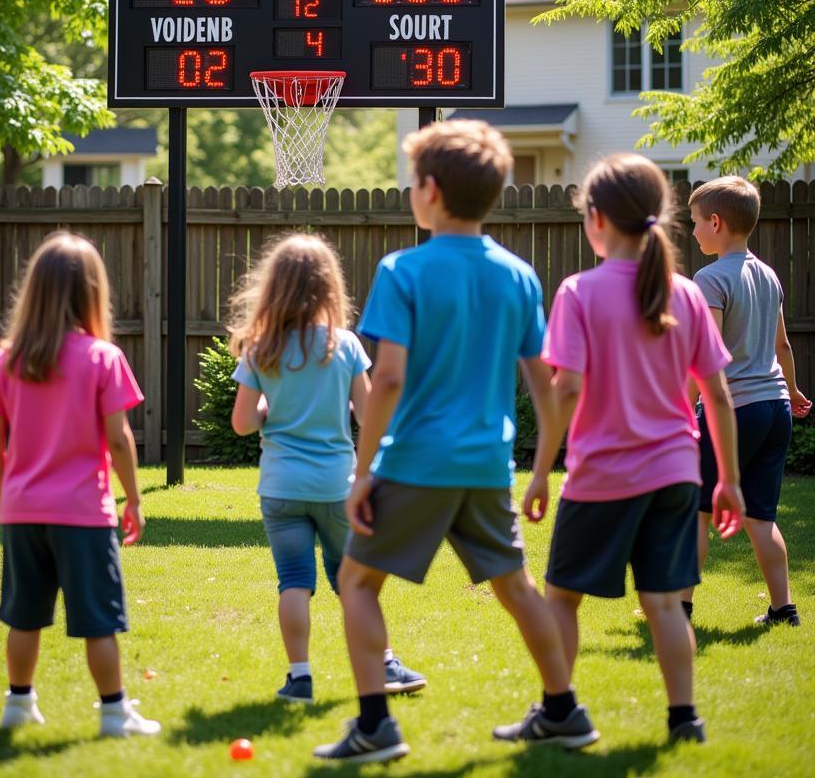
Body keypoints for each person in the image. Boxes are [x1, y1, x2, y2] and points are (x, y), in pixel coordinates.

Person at [314, 120, 598, 764]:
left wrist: (362, 474)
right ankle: (563, 709)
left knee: (357, 583)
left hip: (415, 460)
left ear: (431, 191)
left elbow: (386, 379)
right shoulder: (519, 275)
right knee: (517, 587)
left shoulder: (402, 270)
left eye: (413, 182)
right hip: (486, 466)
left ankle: (375, 727)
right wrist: (541, 470)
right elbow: (546, 385)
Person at [524, 153, 745, 746]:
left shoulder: (579, 292)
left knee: (562, 597)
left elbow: (565, 388)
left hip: (604, 477)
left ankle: (557, 711)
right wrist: (728, 480)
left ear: (596, 219)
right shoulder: (687, 295)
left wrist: (541, 472)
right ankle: (684, 721)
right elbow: (717, 397)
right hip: (677, 475)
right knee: (665, 604)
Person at [0, 232, 159, 739]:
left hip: (22, 511)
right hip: (83, 514)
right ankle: (115, 713)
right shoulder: (101, 357)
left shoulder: (6, 359)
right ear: (92, 292)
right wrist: (135, 499)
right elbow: (119, 439)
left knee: (24, 615)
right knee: (99, 619)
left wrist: (2, 493)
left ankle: (17, 705)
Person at [229, 233, 426, 705]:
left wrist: (265, 407)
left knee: (294, 580)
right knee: (353, 582)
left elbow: (241, 423)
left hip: (280, 487)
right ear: (328, 287)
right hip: (336, 487)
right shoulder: (346, 345)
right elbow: (365, 411)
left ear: (273, 287)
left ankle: (300, 678)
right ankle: (386, 664)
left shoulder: (261, 348)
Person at [682, 176, 811, 626]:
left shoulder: (709, 278)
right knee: (761, 516)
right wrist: (792, 392)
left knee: (694, 512)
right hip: (775, 408)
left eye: (695, 221)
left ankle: (679, 610)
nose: (693, 229)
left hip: (733, 410)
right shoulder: (769, 274)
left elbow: (707, 356)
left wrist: (685, 409)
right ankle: (783, 609)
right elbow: (783, 346)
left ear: (716, 222)